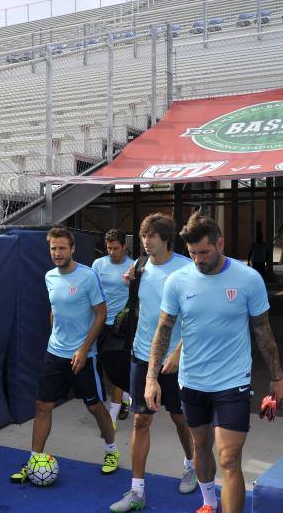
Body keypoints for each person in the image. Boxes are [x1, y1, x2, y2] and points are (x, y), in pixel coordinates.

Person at [146, 213, 283, 513]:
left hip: (232, 382)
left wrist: (277, 378)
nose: (197, 259)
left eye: (204, 252)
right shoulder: (177, 281)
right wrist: (151, 378)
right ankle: (209, 503)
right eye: (192, 253)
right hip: (192, 380)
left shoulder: (248, 279)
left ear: (220, 243)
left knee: (229, 458)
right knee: (201, 447)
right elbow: (164, 330)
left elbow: (264, 332)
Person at [10, 226, 119, 483]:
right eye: (53, 248)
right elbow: (54, 310)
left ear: (72, 249)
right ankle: (35, 460)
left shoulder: (88, 276)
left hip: (83, 356)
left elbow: (101, 314)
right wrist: (56, 336)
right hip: (54, 353)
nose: (57, 253)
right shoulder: (49, 276)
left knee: (94, 407)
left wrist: (83, 349)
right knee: (42, 406)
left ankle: (111, 451)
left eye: (62, 248)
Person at [110, 213, 196, 513]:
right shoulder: (139, 265)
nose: (146, 241)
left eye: (152, 236)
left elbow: (195, 318)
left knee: (180, 419)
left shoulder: (186, 269)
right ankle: (136, 491)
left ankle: (191, 465)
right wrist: (130, 280)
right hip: (142, 355)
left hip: (174, 359)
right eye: (144, 235)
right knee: (140, 420)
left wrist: (179, 353)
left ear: (166, 239)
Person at [91, 228, 134, 427]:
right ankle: (125, 395)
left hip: (121, 326)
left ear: (124, 247)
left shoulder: (133, 266)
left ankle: (113, 416)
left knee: (117, 367)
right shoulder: (98, 264)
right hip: (100, 322)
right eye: (109, 248)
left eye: (116, 248)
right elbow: (91, 292)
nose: (112, 252)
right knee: (105, 367)